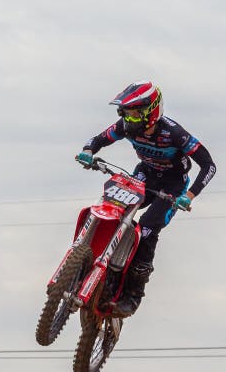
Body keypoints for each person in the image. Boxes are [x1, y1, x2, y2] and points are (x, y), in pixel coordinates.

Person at [75, 81, 216, 316]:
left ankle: (132, 296)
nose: (129, 119)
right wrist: (88, 153)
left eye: (134, 114)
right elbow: (97, 140)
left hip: (174, 184)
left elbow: (209, 165)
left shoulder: (174, 133)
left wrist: (189, 197)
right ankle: (99, 268)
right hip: (145, 175)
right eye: (126, 113)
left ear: (151, 112)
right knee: (116, 209)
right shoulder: (125, 127)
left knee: (147, 229)